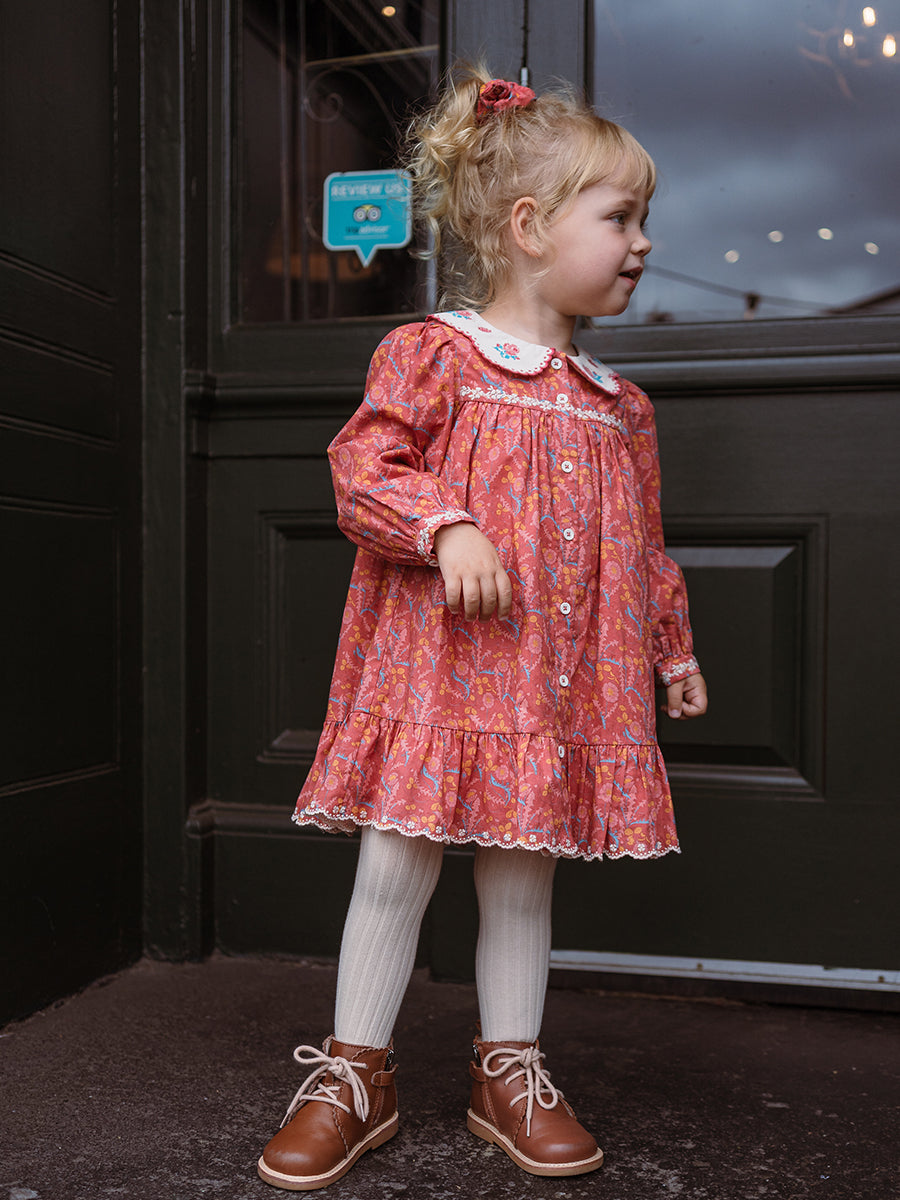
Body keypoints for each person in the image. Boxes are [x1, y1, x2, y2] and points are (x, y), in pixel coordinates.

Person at [257, 66, 708, 1191]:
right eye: (621, 219)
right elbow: (364, 467)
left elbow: (645, 545)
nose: (644, 242)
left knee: (522, 872)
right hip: (438, 675)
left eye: (642, 220)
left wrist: (672, 646)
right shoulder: (433, 358)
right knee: (395, 863)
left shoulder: (620, 408)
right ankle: (354, 1074)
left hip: (553, 684)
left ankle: (509, 1070)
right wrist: (447, 525)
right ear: (530, 227)